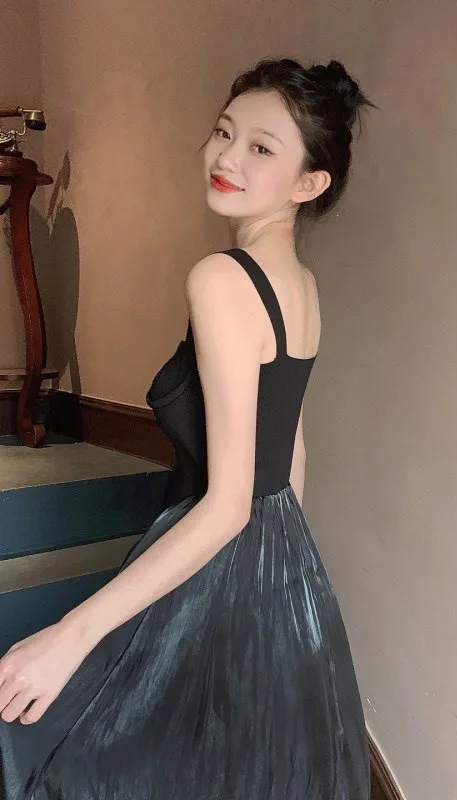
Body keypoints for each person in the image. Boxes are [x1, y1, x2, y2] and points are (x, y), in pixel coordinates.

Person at [0, 57, 373, 800]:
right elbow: (290, 451)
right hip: (278, 545)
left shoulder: (223, 279)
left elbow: (228, 504)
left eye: (261, 148)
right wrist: (281, 577)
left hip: (220, 536)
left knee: (56, 744)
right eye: (224, 132)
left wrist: (70, 636)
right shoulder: (300, 285)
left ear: (308, 183)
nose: (227, 158)